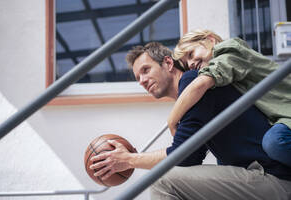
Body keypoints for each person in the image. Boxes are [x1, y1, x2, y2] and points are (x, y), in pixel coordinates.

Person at [89, 42, 291, 199]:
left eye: (146, 70)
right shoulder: (188, 100)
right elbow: (192, 157)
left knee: (162, 181)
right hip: (260, 176)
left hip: (272, 176)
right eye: (137, 78)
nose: (141, 80)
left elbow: (185, 155)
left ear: (168, 63)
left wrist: (129, 160)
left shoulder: (193, 81)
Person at [167, 29, 291, 167]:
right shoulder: (227, 77)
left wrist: (172, 121)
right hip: (278, 117)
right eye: (186, 64)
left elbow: (200, 84)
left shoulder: (231, 50)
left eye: (191, 54)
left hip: (288, 111)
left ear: (211, 40)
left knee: (275, 142)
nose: (190, 64)